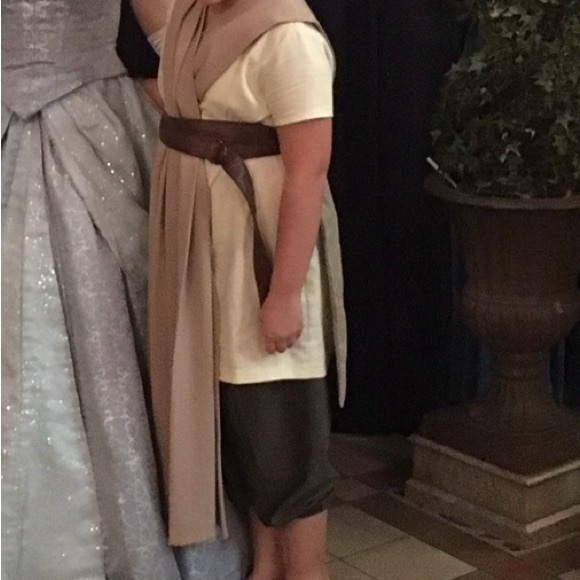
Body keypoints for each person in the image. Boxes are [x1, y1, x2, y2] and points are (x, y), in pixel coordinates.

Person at [1, 0, 248, 578]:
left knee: (108, 336)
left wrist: (238, 90)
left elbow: (177, 40)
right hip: (49, 123)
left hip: (88, 126)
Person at [131, 0, 347, 578]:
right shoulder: (198, 17)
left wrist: (284, 296)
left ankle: (307, 573)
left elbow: (308, 171)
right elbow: (187, 104)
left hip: (262, 272)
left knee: (287, 448)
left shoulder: (288, 36)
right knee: (248, 446)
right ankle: (266, 567)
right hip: (209, 271)